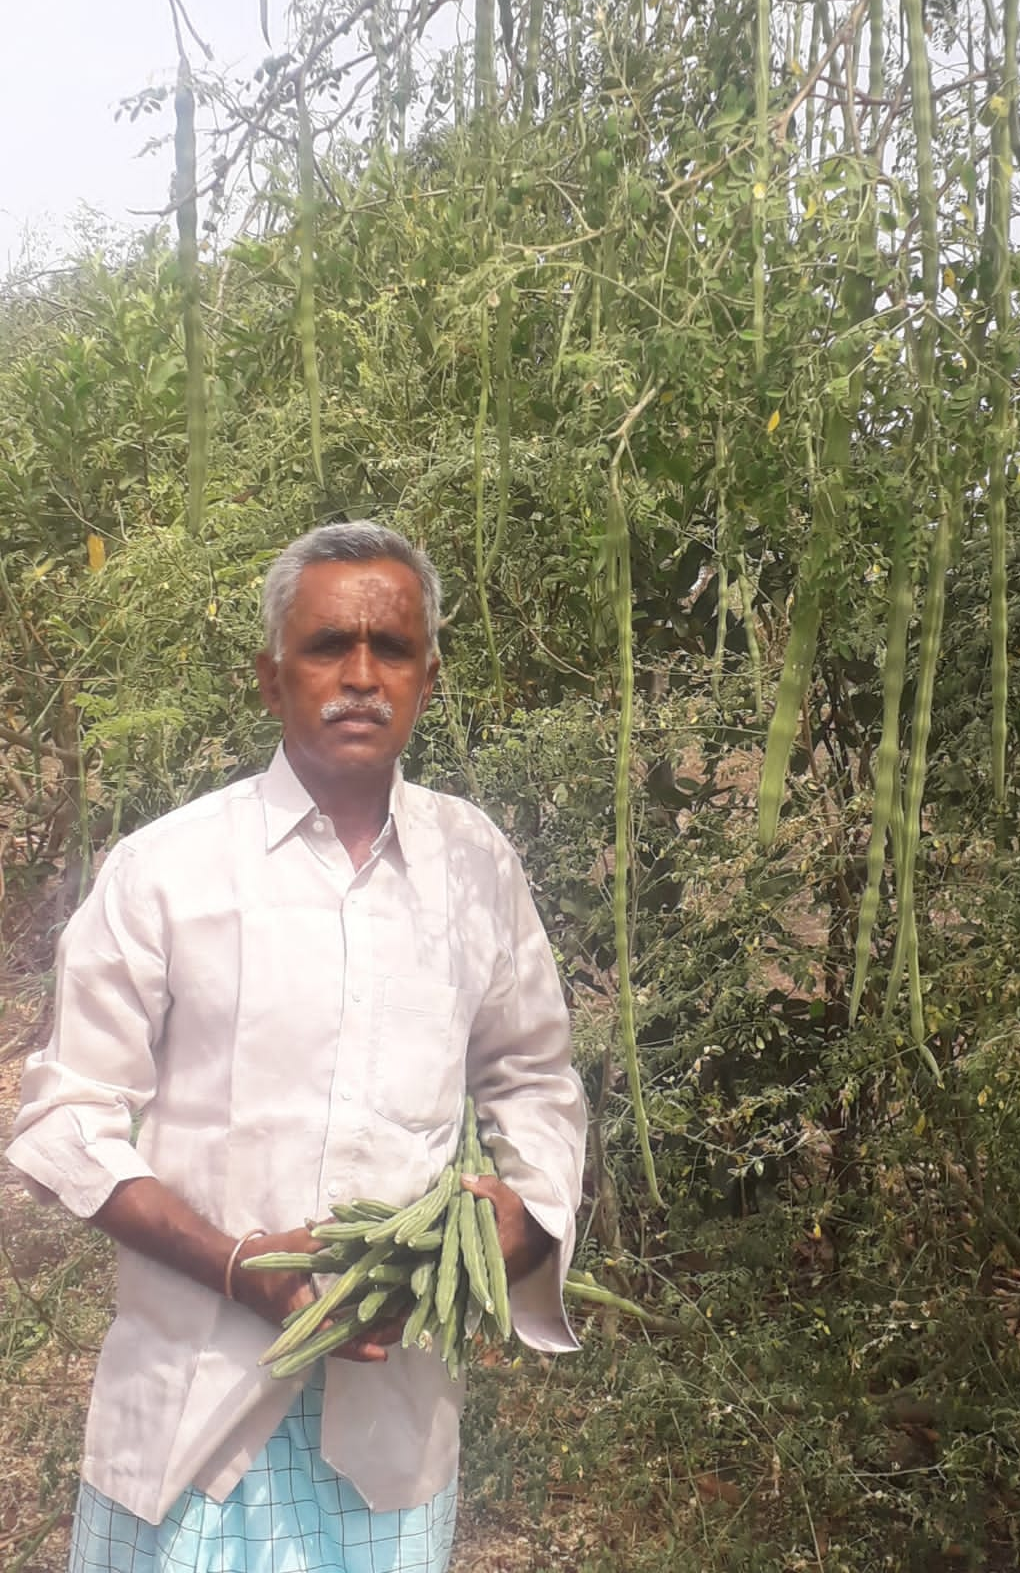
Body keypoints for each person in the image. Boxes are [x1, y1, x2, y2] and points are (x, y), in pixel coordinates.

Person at [6, 521, 587, 1572]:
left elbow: (533, 1073)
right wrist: (233, 1262)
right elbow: (64, 1118)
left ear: (428, 677)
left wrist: (524, 1222)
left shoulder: (474, 865)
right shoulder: (167, 871)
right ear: (271, 678)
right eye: (327, 646)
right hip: (189, 1414)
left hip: (388, 1430)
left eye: (392, 649)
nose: (361, 676)